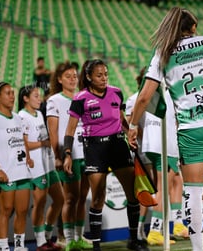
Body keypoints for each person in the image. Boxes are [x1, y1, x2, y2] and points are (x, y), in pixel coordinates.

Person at [127, 7, 203, 251]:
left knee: (192, 190)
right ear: (192, 27)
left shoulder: (163, 53)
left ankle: (197, 248)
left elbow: (144, 96)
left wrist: (132, 126)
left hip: (192, 128)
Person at [62, 59, 149, 251]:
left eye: (106, 74)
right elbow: (69, 130)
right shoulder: (80, 98)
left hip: (118, 145)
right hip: (95, 149)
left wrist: (129, 134)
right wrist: (67, 153)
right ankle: (96, 245)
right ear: (89, 77)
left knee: (133, 194)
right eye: (99, 75)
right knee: (98, 196)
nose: (104, 78)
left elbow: (121, 119)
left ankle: (133, 239)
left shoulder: (116, 92)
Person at [0, 82, 34, 251]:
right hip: (5, 173)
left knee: (22, 211)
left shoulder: (19, 118)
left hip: (22, 172)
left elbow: (23, 141)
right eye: (7, 93)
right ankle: (4, 248)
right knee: (6, 211)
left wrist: (28, 157)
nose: (12, 96)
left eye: (13, 93)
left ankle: (19, 246)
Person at [46, 62, 92, 251]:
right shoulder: (54, 100)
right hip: (69, 156)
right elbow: (53, 132)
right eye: (68, 76)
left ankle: (79, 236)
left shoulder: (84, 97)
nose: (73, 79)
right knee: (70, 199)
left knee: (82, 198)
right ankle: (68, 239)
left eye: (74, 75)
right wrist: (58, 156)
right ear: (59, 79)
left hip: (87, 154)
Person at [17, 85, 64, 251]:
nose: (40, 99)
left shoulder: (39, 114)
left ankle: (47, 236)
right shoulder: (22, 117)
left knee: (60, 199)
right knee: (40, 202)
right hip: (35, 166)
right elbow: (23, 144)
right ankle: (40, 242)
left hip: (48, 163)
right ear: (25, 98)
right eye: (36, 96)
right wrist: (43, 143)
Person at [141, 89, 188, 246]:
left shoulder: (151, 91)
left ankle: (178, 225)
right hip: (165, 145)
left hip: (151, 143)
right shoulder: (175, 92)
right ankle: (154, 231)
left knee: (176, 181)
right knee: (163, 189)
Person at [125, 67, 154, 244]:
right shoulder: (132, 100)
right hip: (141, 150)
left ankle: (150, 228)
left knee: (153, 189)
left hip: (156, 149)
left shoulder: (157, 100)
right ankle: (140, 230)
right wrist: (144, 135)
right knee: (144, 189)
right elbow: (129, 124)